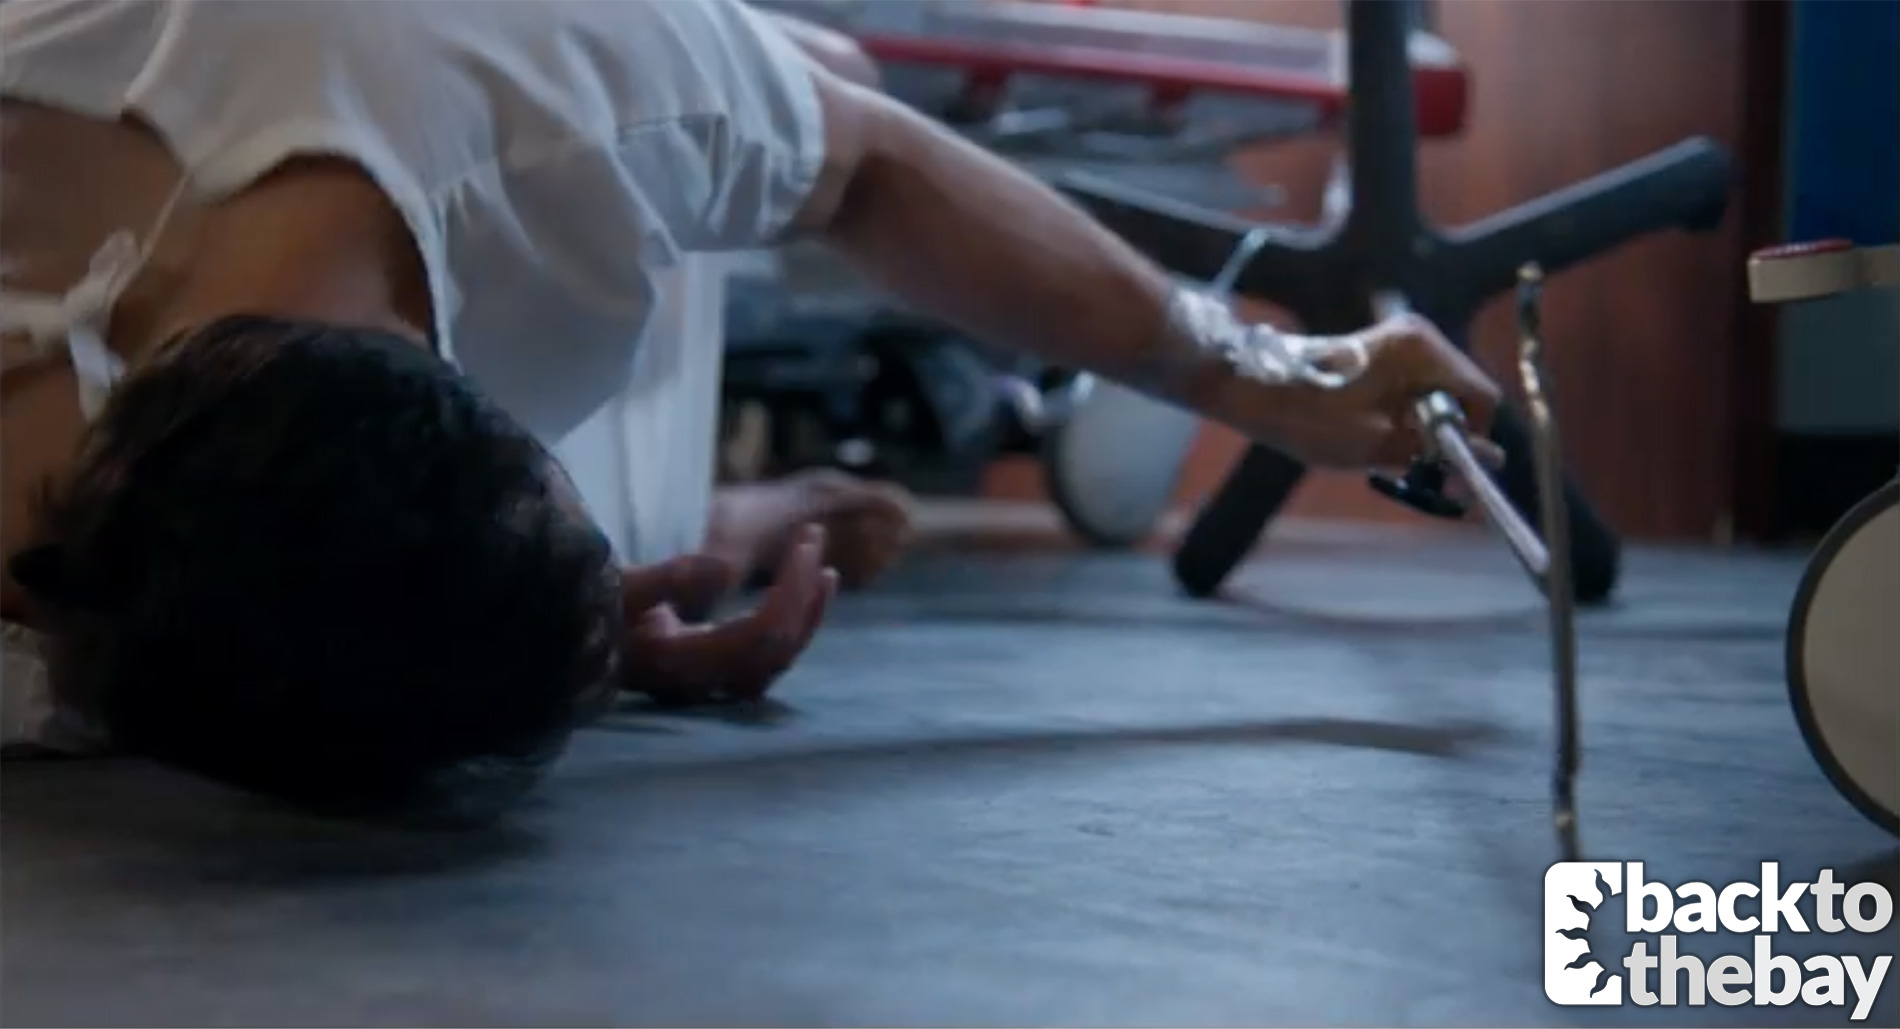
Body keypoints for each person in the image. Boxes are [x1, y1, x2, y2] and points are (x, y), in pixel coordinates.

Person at [0, 0, 1500, 820]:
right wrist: (556, 644)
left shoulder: (556, 97)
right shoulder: (64, 604)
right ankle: (722, 516)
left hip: (428, 65)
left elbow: (876, 161)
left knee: (826, 72)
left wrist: (1260, 372)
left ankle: (688, 513)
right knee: (589, 545)